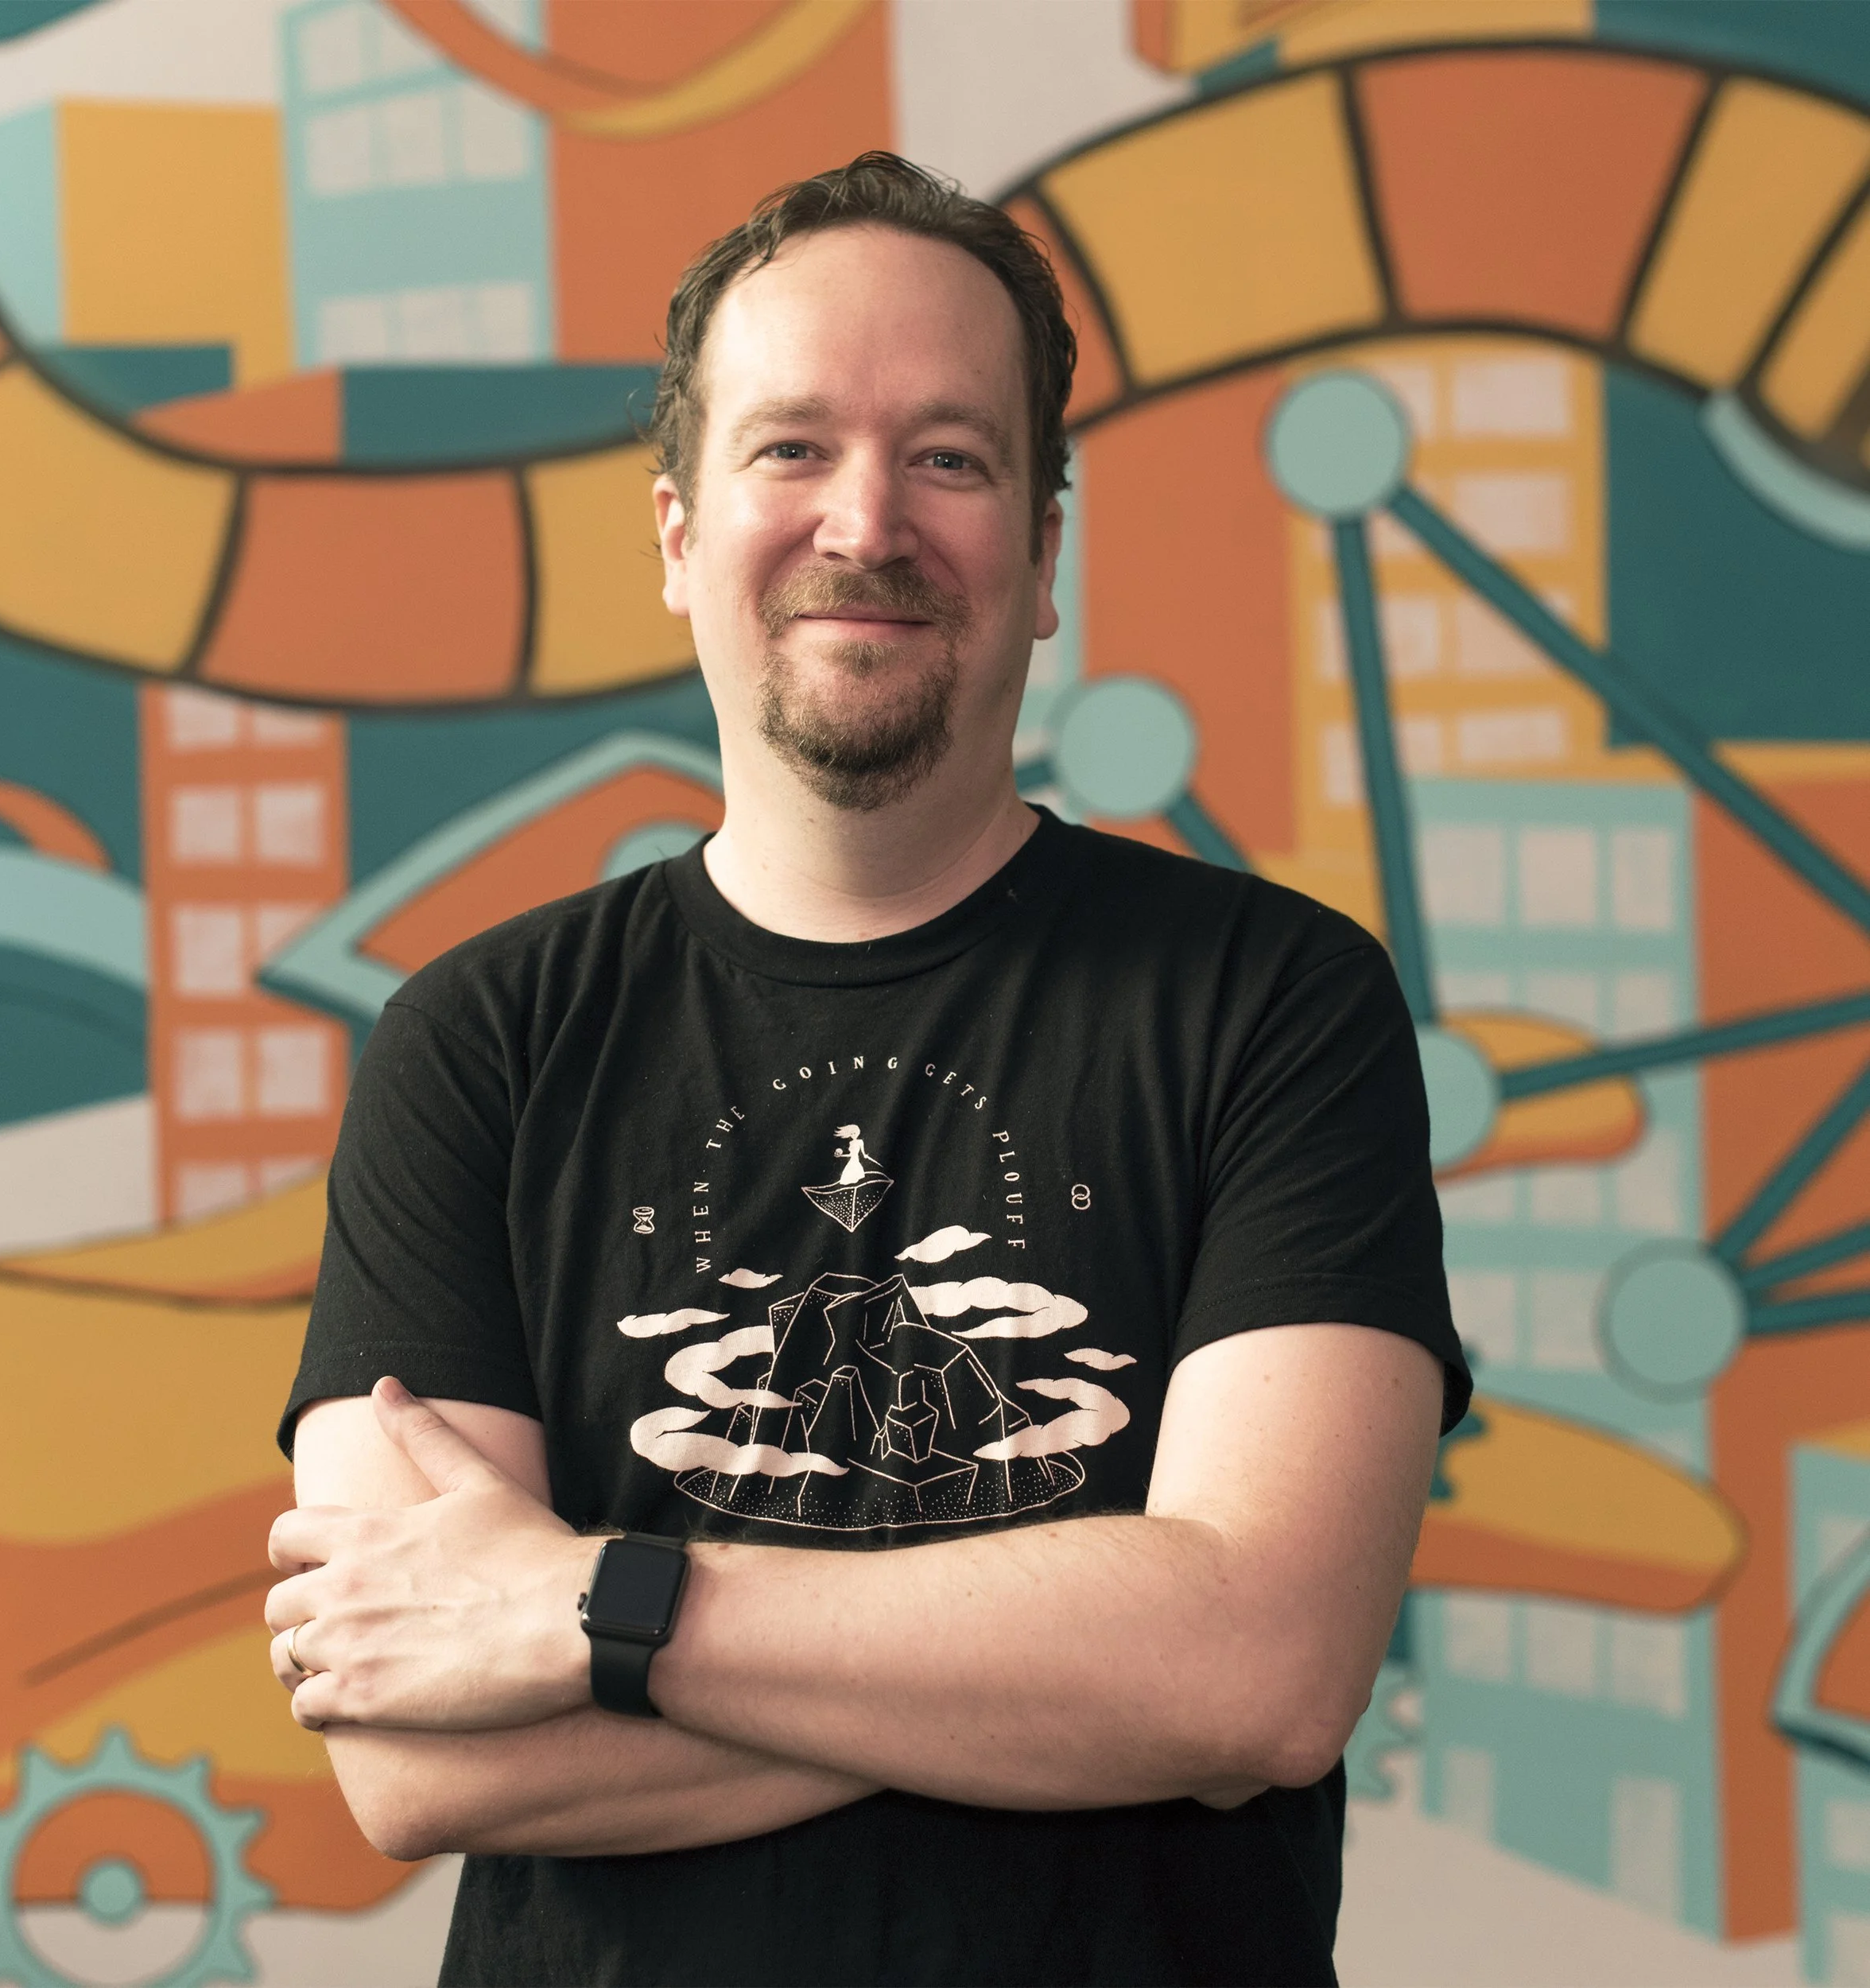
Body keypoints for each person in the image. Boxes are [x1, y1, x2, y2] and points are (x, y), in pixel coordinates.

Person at [266, 151, 1468, 1988]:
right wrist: (1062, 1652)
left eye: (951, 455)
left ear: (1043, 552)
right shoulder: (474, 1044)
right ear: (675, 535)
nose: (866, 520)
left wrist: (581, 1600)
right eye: (789, 446)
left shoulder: (1271, 1002)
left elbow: (1255, 1672)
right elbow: (412, 1751)